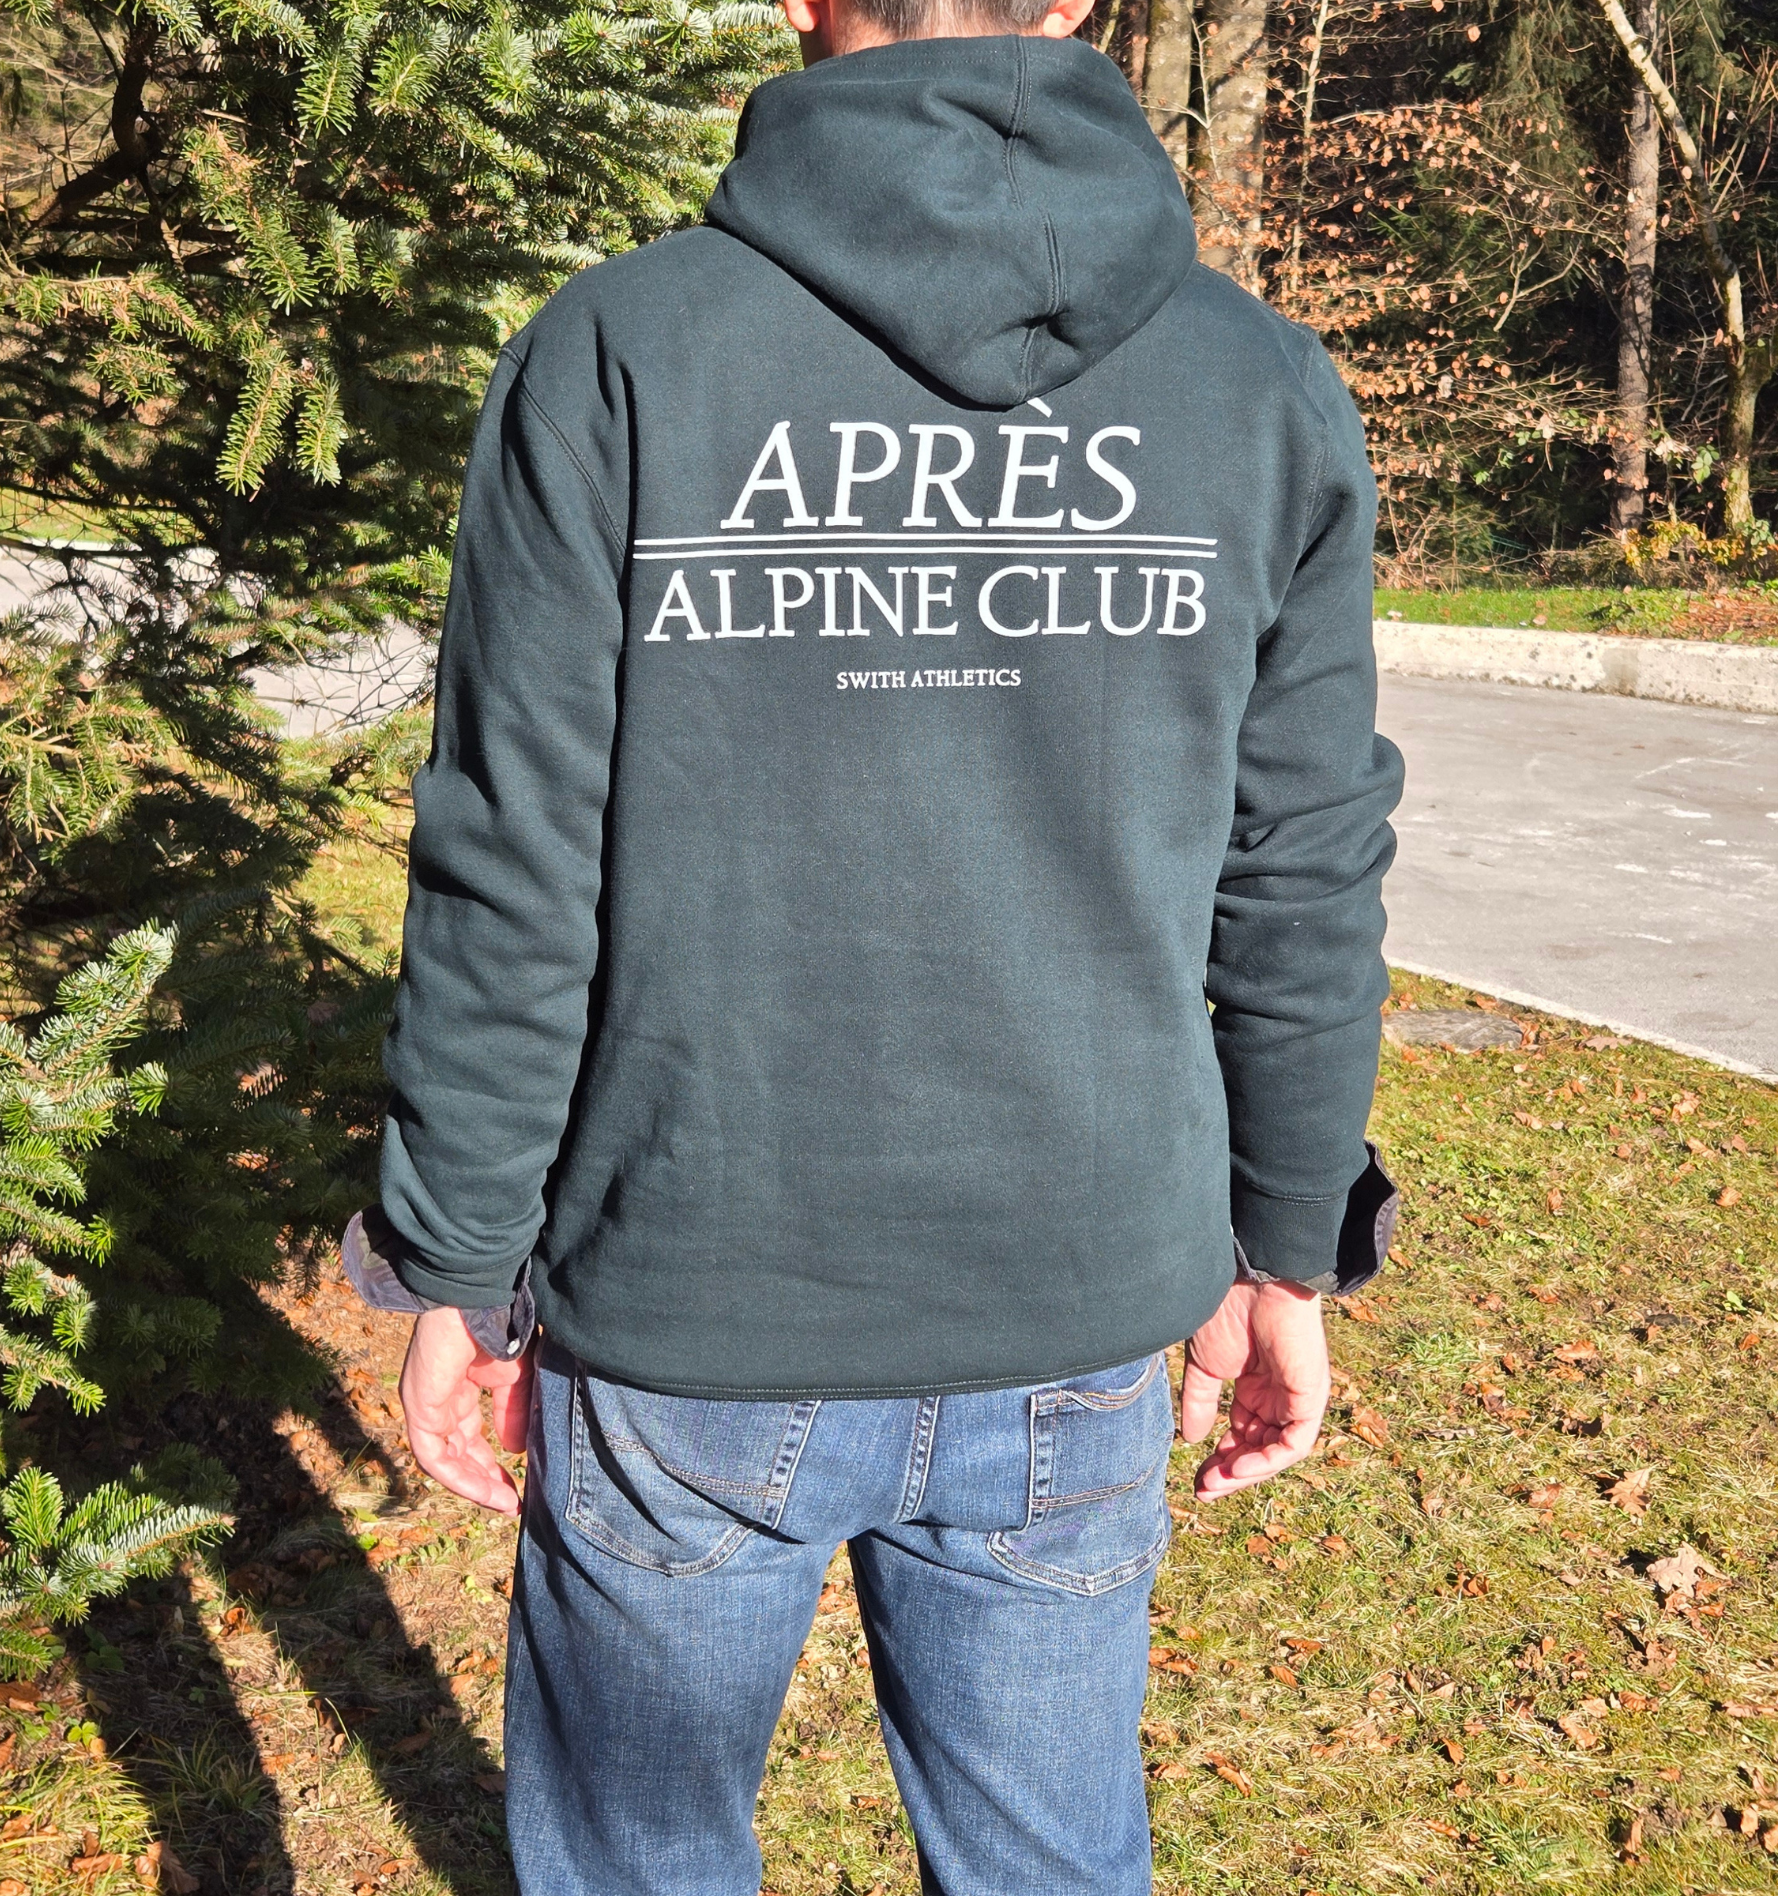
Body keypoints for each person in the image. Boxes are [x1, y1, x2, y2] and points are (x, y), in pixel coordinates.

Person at [345, 0, 1404, 1884]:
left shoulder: (622, 352)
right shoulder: (1260, 388)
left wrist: (460, 1268)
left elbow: (513, 861)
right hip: (1065, 1309)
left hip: (690, 1302)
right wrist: (1287, 1254)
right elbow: (1305, 873)